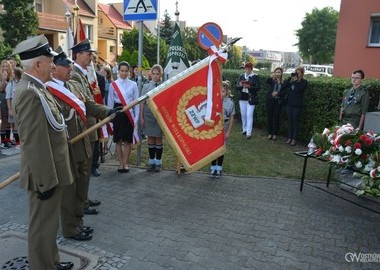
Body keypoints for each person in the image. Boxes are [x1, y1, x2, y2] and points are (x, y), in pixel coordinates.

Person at [12, 35, 75, 270]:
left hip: (50, 170)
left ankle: (51, 262)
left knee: (48, 224)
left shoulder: (38, 88)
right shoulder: (29, 92)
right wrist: (45, 182)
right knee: (41, 226)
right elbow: (34, 143)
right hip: (43, 175)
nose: (53, 65)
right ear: (38, 64)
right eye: (50, 61)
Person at [48, 46, 117, 242]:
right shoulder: (49, 90)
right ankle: (70, 228)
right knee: (69, 191)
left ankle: (78, 223)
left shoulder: (72, 86)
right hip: (67, 146)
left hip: (82, 142)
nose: (70, 69)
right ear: (55, 69)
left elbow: (88, 104)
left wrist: (108, 112)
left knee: (80, 188)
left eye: (70, 66)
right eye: (66, 66)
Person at [70, 39, 101, 215]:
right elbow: (84, 102)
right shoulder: (74, 74)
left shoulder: (82, 73)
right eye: (88, 54)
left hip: (90, 127)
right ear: (78, 55)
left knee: (87, 169)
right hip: (84, 128)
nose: (91, 57)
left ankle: (84, 198)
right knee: (83, 170)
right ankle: (81, 202)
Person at [107, 61, 139, 173]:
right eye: (122, 71)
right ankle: (120, 164)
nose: (124, 73)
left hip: (129, 114)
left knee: (127, 141)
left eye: (126, 71)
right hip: (118, 113)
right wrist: (110, 118)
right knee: (118, 140)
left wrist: (136, 118)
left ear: (129, 71)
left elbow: (136, 103)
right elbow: (110, 102)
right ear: (118, 71)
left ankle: (125, 163)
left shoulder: (133, 85)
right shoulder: (113, 85)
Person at [140, 64, 164, 172]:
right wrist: (141, 117)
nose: (155, 76)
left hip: (159, 115)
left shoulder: (164, 85)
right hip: (148, 114)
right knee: (150, 137)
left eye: (157, 74)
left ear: (161, 74)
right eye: (153, 74)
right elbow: (141, 103)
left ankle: (158, 162)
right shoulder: (146, 86)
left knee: (158, 138)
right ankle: (152, 162)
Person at [210, 80, 235, 178]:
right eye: (220, 90)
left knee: (221, 148)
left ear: (228, 92)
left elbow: (232, 118)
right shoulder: (215, 100)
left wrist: (228, 132)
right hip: (215, 126)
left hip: (224, 126)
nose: (221, 93)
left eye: (223, 91)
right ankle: (213, 167)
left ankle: (219, 168)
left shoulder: (230, 103)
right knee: (213, 148)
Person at [283, 66, 308, 146]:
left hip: (297, 105)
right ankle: (289, 137)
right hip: (289, 104)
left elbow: (298, 90)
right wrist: (290, 78)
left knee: (295, 121)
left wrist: (296, 81)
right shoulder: (292, 81)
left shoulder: (304, 82)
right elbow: (284, 86)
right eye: (296, 73)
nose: (297, 74)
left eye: (298, 73)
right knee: (290, 121)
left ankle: (294, 138)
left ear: (302, 74)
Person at [236, 62, 260, 139]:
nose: (247, 70)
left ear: (251, 69)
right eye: (246, 69)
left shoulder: (255, 76)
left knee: (249, 115)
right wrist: (240, 85)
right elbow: (237, 86)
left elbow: (258, 88)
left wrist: (249, 86)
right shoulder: (241, 76)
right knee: (243, 114)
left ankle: (249, 133)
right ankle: (244, 129)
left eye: (249, 69)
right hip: (242, 96)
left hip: (251, 97)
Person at [265, 67, 285, 141]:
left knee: (276, 117)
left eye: (279, 72)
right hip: (270, 101)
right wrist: (271, 76)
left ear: (281, 73)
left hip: (278, 102)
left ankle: (275, 134)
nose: (277, 74)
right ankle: (270, 133)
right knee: (270, 117)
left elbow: (284, 92)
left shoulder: (283, 81)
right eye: (276, 72)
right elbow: (266, 82)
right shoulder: (271, 80)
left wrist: (278, 93)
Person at [6, 67, 23, 147]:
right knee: (15, 124)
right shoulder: (10, 84)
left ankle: (22, 141)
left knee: (21, 123)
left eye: (13, 72)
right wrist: (10, 109)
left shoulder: (22, 82)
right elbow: (8, 97)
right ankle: (17, 142)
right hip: (14, 104)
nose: (11, 74)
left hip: (22, 103)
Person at [0, 60, 12, 148]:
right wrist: (4, 78)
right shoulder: (1, 76)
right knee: (4, 120)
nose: (5, 68)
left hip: (11, 98)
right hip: (3, 98)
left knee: (9, 120)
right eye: (3, 66)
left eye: (7, 66)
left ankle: (8, 140)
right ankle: (3, 141)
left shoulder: (12, 76)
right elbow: (1, 88)